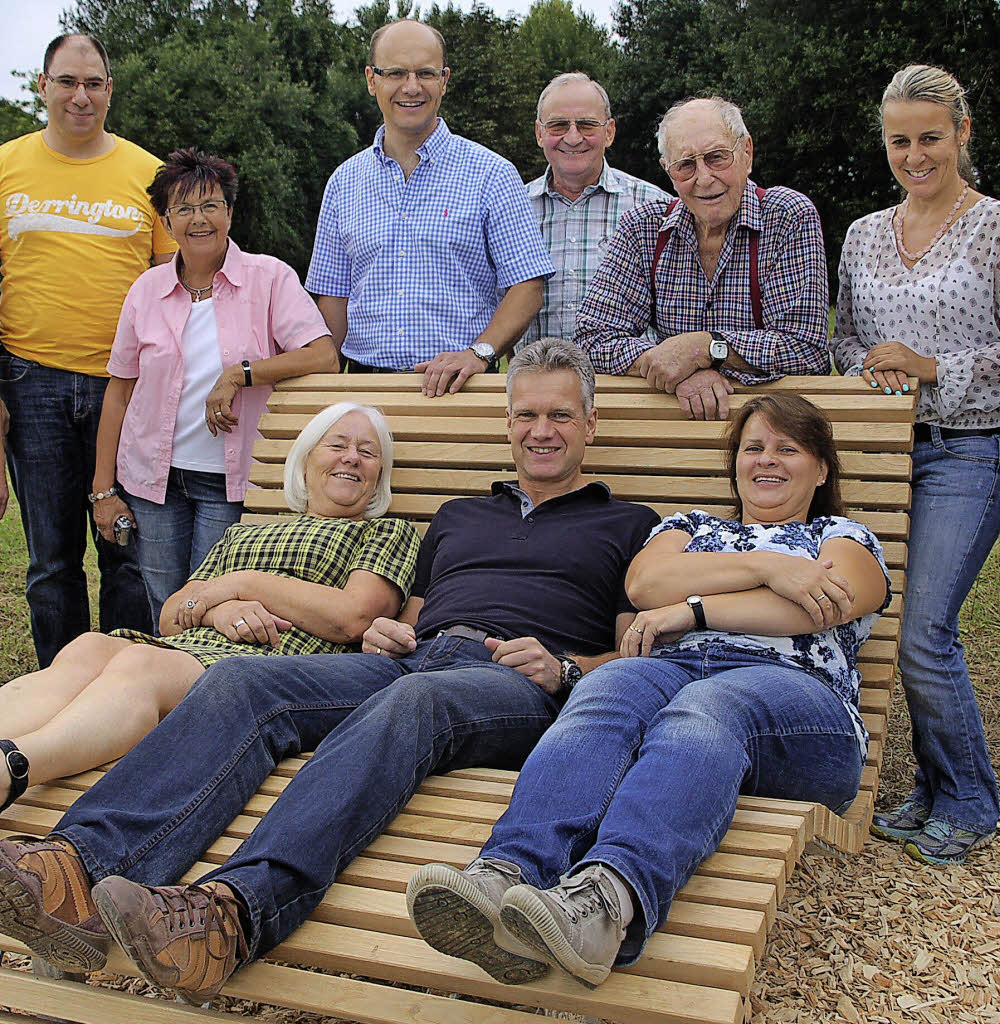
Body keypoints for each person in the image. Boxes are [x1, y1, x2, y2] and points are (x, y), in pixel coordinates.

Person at [0, 338, 660, 1003]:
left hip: (514, 684)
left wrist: (568, 666)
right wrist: (386, 628)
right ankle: (74, 869)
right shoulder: (461, 516)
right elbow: (415, 612)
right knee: (240, 683)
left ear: (590, 425)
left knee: (415, 704)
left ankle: (231, 916)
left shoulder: (632, 525)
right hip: (408, 661)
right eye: (526, 415)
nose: (540, 431)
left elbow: (638, 653)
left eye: (560, 416)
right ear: (509, 422)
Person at [407, 393, 890, 988]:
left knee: (706, 707)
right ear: (734, 464)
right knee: (607, 688)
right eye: (753, 448)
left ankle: (607, 904)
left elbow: (824, 606)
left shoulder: (843, 536)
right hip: (672, 677)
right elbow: (645, 582)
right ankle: (507, 874)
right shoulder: (691, 528)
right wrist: (772, 567)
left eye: (788, 449)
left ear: (820, 469)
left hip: (801, 709)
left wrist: (695, 611)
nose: (767, 461)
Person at [0, 403, 420, 814]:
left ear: (379, 475)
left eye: (367, 453)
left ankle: (14, 767)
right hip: (197, 649)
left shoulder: (387, 531)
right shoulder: (243, 535)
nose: (352, 458)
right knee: (89, 647)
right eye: (338, 446)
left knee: (143, 666)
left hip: (269, 670)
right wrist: (220, 611)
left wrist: (240, 584)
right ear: (305, 461)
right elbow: (171, 616)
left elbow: (354, 617)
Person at [831, 64, 1000, 866]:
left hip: (970, 445)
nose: (914, 153)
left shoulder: (993, 227)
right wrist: (872, 364)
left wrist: (930, 366)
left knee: (926, 628)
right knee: (893, 625)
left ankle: (970, 796)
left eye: (930, 137)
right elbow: (840, 342)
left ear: (963, 132)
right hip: (879, 451)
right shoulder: (864, 233)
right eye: (900, 140)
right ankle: (933, 787)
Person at [92, 148, 338, 625]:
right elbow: (119, 392)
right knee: (164, 603)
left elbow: (322, 355)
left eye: (210, 205)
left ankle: (206, 692)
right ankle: (169, 693)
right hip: (154, 480)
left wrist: (240, 375)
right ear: (165, 220)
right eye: (183, 208)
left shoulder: (268, 278)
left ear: (229, 211)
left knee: (215, 603)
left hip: (229, 479)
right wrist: (104, 488)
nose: (198, 219)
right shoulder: (146, 290)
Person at [0, 33, 177, 667]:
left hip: (125, 387)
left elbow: (173, 288)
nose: (81, 95)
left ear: (109, 91)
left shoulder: (147, 174)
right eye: (68, 82)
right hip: (30, 380)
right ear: (42, 87)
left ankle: (120, 686)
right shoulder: (5, 167)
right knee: (51, 560)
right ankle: (59, 684)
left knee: (127, 553)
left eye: (94, 83)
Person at [304, 20, 555, 396]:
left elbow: (528, 287)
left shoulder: (492, 174)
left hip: (462, 388)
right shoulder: (343, 182)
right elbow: (333, 299)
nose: (411, 86)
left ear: (444, 80)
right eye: (396, 73)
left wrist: (478, 353)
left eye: (425, 73)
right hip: (363, 387)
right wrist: (323, 386)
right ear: (372, 80)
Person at [574, 96, 829, 421]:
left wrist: (707, 349)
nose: (704, 178)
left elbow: (804, 349)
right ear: (669, 170)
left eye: (717, 158)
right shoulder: (644, 228)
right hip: (676, 433)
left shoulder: (785, 216)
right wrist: (673, 365)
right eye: (686, 166)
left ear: (746, 153)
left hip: (772, 430)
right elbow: (591, 338)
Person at [520, 72, 666, 349]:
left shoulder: (654, 207)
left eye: (587, 125)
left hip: (627, 385)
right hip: (537, 385)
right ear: (539, 133)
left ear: (609, 131)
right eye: (558, 126)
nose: (573, 138)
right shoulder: (512, 208)